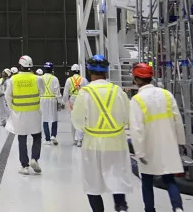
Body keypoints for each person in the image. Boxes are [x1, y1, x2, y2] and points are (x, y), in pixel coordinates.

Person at [72, 55, 133, 212]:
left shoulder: (85, 93)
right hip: (116, 143)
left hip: (92, 144)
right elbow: (127, 117)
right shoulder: (118, 91)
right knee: (117, 177)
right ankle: (121, 207)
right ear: (106, 72)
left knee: (92, 183)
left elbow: (77, 122)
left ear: (90, 72)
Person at [129, 63, 185, 212]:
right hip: (168, 143)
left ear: (136, 79)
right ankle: (178, 208)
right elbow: (177, 120)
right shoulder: (167, 94)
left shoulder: (137, 100)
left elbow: (136, 129)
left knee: (147, 181)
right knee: (169, 179)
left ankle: (149, 209)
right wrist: (180, 142)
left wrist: (139, 152)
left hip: (149, 147)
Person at [6, 55, 44, 175]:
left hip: (19, 113)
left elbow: (8, 96)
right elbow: (42, 93)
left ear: (20, 65)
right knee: (37, 136)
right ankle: (34, 159)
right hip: (34, 112)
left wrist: (12, 108)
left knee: (21, 138)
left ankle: (24, 166)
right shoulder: (37, 79)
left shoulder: (13, 79)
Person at [63, 63, 88, 147]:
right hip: (82, 99)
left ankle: (74, 139)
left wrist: (64, 101)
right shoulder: (84, 80)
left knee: (73, 119)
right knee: (81, 119)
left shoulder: (69, 80)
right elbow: (88, 90)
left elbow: (66, 93)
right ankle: (79, 139)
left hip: (72, 100)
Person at [41, 61, 61, 145]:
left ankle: (47, 139)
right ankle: (53, 135)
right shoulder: (55, 78)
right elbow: (57, 91)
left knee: (44, 119)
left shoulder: (40, 78)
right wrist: (60, 102)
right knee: (54, 118)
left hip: (43, 100)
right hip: (52, 99)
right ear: (52, 69)